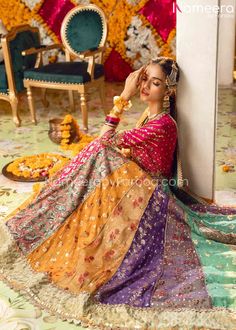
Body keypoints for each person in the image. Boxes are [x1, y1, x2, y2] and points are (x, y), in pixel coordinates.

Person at [0, 57, 235, 329]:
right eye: (144, 79)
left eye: (155, 83)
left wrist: (125, 94)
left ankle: (64, 203)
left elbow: (104, 139)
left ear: (168, 91)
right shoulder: (152, 117)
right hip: (138, 185)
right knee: (97, 160)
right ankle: (66, 204)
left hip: (149, 196)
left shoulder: (162, 125)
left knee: (98, 154)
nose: (146, 87)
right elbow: (124, 148)